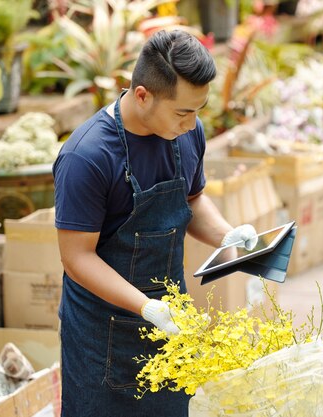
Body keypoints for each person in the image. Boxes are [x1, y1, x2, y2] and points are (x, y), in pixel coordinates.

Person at [52, 30, 258, 416]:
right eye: (182, 112)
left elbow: (192, 198)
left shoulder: (186, 132)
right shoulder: (87, 157)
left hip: (171, 321)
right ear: (143, 94)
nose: (192, 122)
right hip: (102, 337)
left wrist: (225, 234)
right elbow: (76, 258)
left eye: (199, 109)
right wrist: (145, 307)